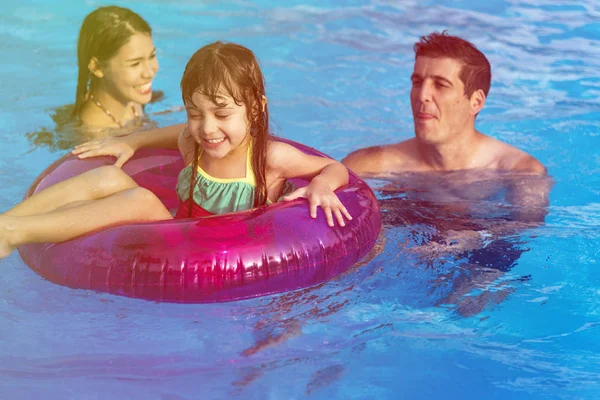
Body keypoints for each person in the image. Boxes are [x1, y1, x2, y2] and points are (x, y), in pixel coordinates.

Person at [0, 41, 351, 259]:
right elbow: (174, 133)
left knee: (142, 201)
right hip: (174, 235)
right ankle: (8, 222)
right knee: (109, 175)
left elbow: (336, 168)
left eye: (222, 114)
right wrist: (131, 141)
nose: (207, 128)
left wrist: (321, 185)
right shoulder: (192, 141)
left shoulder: (270, 159)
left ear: (256, 108)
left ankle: (17, 233)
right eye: (195, 113)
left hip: (212, 257)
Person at [343, 31, 552, 316]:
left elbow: (527, 229)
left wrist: (477, 238)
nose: (422, 96)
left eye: (440, 85)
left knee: (466, 308)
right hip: (401, 249)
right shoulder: (369, 164)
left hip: (478, 255)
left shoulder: (519, 172)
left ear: (476, 102)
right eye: (417, 82)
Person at [74, 5, 159, 129]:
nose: (150, 72)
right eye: (135, 63)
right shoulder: (97, 135)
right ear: (97, 67)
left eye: (152, 56)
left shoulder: (129, 97)